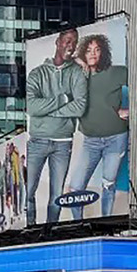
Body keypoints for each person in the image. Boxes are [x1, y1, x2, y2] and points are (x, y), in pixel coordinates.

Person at [25, 27, 88, 225]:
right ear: (58, 42)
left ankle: (51, 232)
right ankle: (30, 229)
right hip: (37, 141)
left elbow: (80, 106)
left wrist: (49, 112)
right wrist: (62, 98)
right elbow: (32, 107)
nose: (71, 46)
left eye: (74, 42)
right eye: (67, 41)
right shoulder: (37, 74)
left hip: (63, 143)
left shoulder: (77, 73)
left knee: (57, 195)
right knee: (28, 191)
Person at [67, 33, 129, 220]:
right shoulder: (78, 77)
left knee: (108, 184)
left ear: (103, 52)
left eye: (97, 49)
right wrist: (79, 62)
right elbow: (64, 56)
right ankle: (78, 225)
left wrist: (131, 111)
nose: (93, 54)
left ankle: (106, 222)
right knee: (75, 189)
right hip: (90, 141)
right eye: (88, 50)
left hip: (116, 138)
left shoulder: (116, 72)